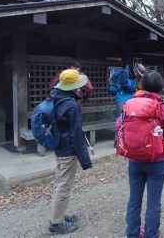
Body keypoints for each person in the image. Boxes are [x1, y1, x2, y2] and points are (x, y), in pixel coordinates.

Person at [118, 71, 164, 238]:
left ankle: (132, 233)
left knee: (134, 199)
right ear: (160, 87)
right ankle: (151, 234)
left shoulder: (129, 104)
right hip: (157, 159)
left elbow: (119, 125)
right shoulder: (163, 107)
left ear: (142, 85)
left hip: (134, 158)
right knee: (153, 201)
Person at [49, 69, 93, 235]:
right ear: (73, 87)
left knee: (60, 182)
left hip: (59, 146)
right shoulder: (72, 106)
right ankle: (56, 223)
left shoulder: (56, 97)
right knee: (64, 186)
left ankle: (58, 214)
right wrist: (85, 160)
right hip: (67, 149)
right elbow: (76, 134)